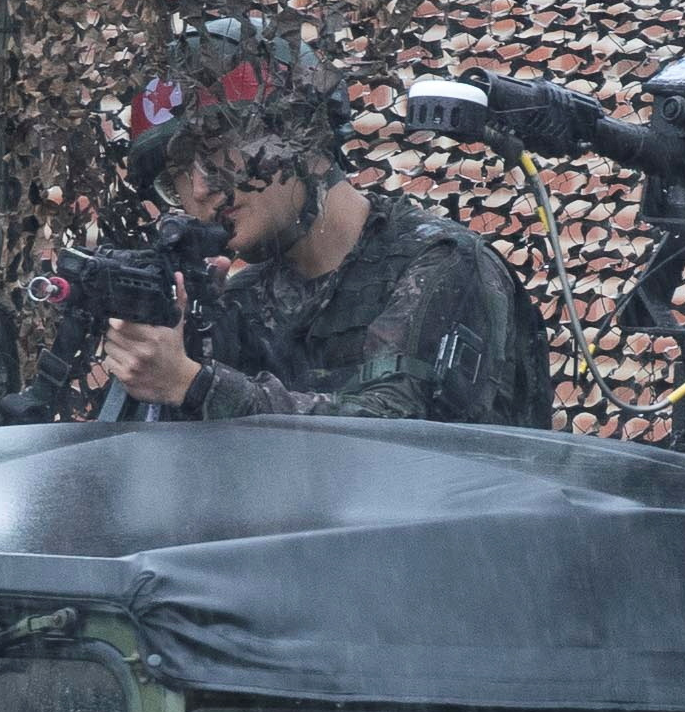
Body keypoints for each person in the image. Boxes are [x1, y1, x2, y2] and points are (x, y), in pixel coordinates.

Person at [88, 21, 552, 428]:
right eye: (176, 181)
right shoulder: (243, 301)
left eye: (216, 154)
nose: (200, 190)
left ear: (300, 136)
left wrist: (196, 385)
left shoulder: (441, 264)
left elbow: (406, 435)